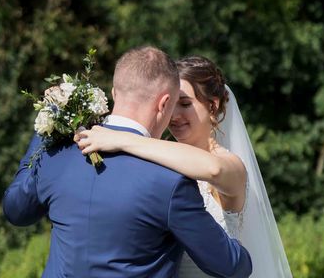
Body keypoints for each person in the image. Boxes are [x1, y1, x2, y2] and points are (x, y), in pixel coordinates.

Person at [3, 46, 252, 278]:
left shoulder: (57, 154)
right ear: (164, 103)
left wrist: (45, 132)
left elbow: (16, 211)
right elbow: (229, 265)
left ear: (113, 93)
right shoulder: (170, 181)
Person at [75, 55, 293, 278]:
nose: (174, 115)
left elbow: (213, 170)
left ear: (212, 105)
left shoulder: (231, 165)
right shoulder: (154, 157)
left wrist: (122, 139)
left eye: (185, 104)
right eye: (171, 104)